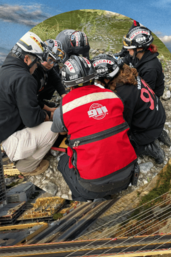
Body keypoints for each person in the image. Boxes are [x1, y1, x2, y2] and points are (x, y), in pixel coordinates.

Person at [51, 55, 139, 201]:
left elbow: (60, 130)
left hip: (92, 187)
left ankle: (82, 197)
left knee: (62, 162)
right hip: (128, 177)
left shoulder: (64, 107)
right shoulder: (112, 96)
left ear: (68, 84)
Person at [0, 31, 58, 176]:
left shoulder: (6, 70)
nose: (37, 67)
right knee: (52, 128)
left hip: (5, 134)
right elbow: (32, 120)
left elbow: (29, 102)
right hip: (12, 140)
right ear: (27, 59)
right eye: (37, 63)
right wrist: (51, 114)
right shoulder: (24, 78)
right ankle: (27, 166)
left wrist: (48, 108)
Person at [92, 54, 167, 164]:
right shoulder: (127, 75)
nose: (97, 82)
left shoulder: (122, 95)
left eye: (98, 80)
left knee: (118, 144)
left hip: (150, 128)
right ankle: (157, 133)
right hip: (158, 115)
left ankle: (150, 149)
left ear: (107, 79)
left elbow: (123, 125)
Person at [120, 25, 171, 147]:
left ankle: (151, 139)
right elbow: (125, 59)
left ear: (139, 48)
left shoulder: (150, 68)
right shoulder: (138, 56)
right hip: (144, 84)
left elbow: (145, 94)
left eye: (130, 48)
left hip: (151, 93)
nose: (128, 50)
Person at [33, 39, 66, 116]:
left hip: (36, 92)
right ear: (43, 55)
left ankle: (41, 101)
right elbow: (30, 96)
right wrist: (49, 109)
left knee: (55, 77)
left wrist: (64, 96)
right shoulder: (33, 70)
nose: (51, 64)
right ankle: (41, 105)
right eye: (50, 60)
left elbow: (57, 81)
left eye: (54, 62)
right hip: (27, 97)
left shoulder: (47, 67)